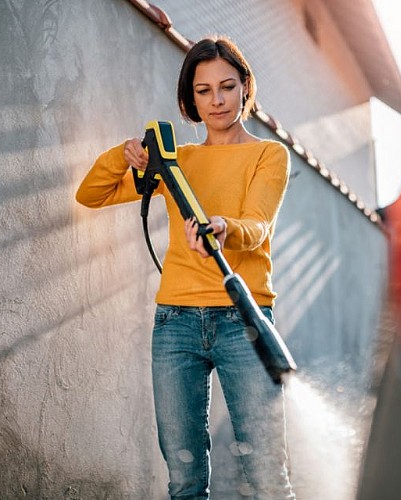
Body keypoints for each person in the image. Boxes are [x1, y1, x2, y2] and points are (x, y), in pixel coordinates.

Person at [76, 36, 295, 499]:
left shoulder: (268, 155)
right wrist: (123, 154)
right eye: (203, 90)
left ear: (245, 87)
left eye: (227, 86)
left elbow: (257, 226)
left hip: (244, 322)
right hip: (175, 324)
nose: (217, 100)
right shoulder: (177, 161)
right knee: (184, 482)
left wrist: (225, 227)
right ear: (190, 98)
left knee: (267, 477)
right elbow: (91, 194)